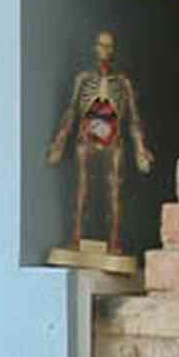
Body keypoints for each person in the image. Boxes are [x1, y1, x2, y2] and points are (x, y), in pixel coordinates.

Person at [45, 29, 154, 258]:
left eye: (108, 46)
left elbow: (133, 117)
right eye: (101, 45)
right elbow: (72, 112)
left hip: (114, 140)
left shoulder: (123, 82)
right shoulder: (83, 79)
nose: (104, 50)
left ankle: (115, 242)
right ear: (94, 48)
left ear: (113, 50)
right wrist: (59, 143)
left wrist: (140, 149)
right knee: (82, 187)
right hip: (86, 139)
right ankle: (76, 238)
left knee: (115, 190)